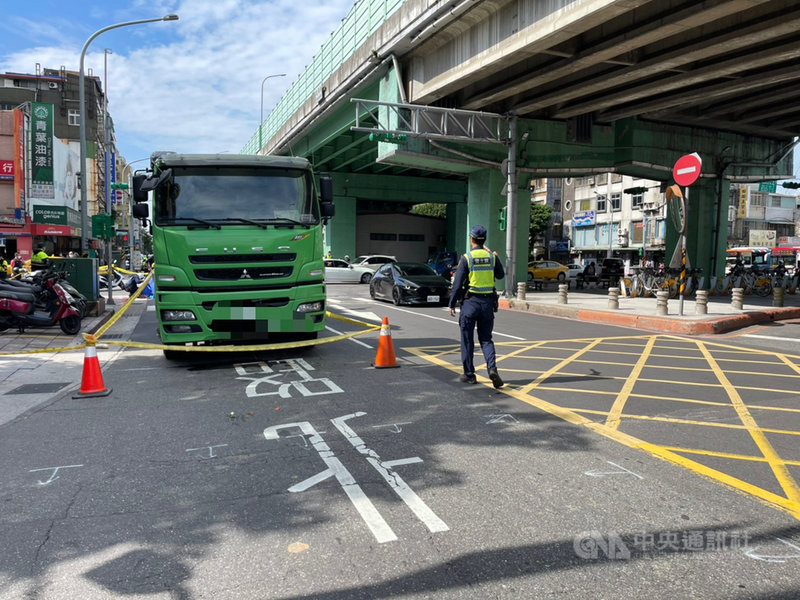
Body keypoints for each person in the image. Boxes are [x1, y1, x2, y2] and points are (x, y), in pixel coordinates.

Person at [448, 224, 505, 388]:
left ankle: (469, 375)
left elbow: (457, 285)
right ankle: (492, 368)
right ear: (484, 239)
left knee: (467, 340)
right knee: (486, 339)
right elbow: (500, 275)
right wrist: (495, 256)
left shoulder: (466, 258)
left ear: (471, 239)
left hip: (470, 303)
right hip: (487, 304)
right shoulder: (492, 258)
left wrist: (452, 303)